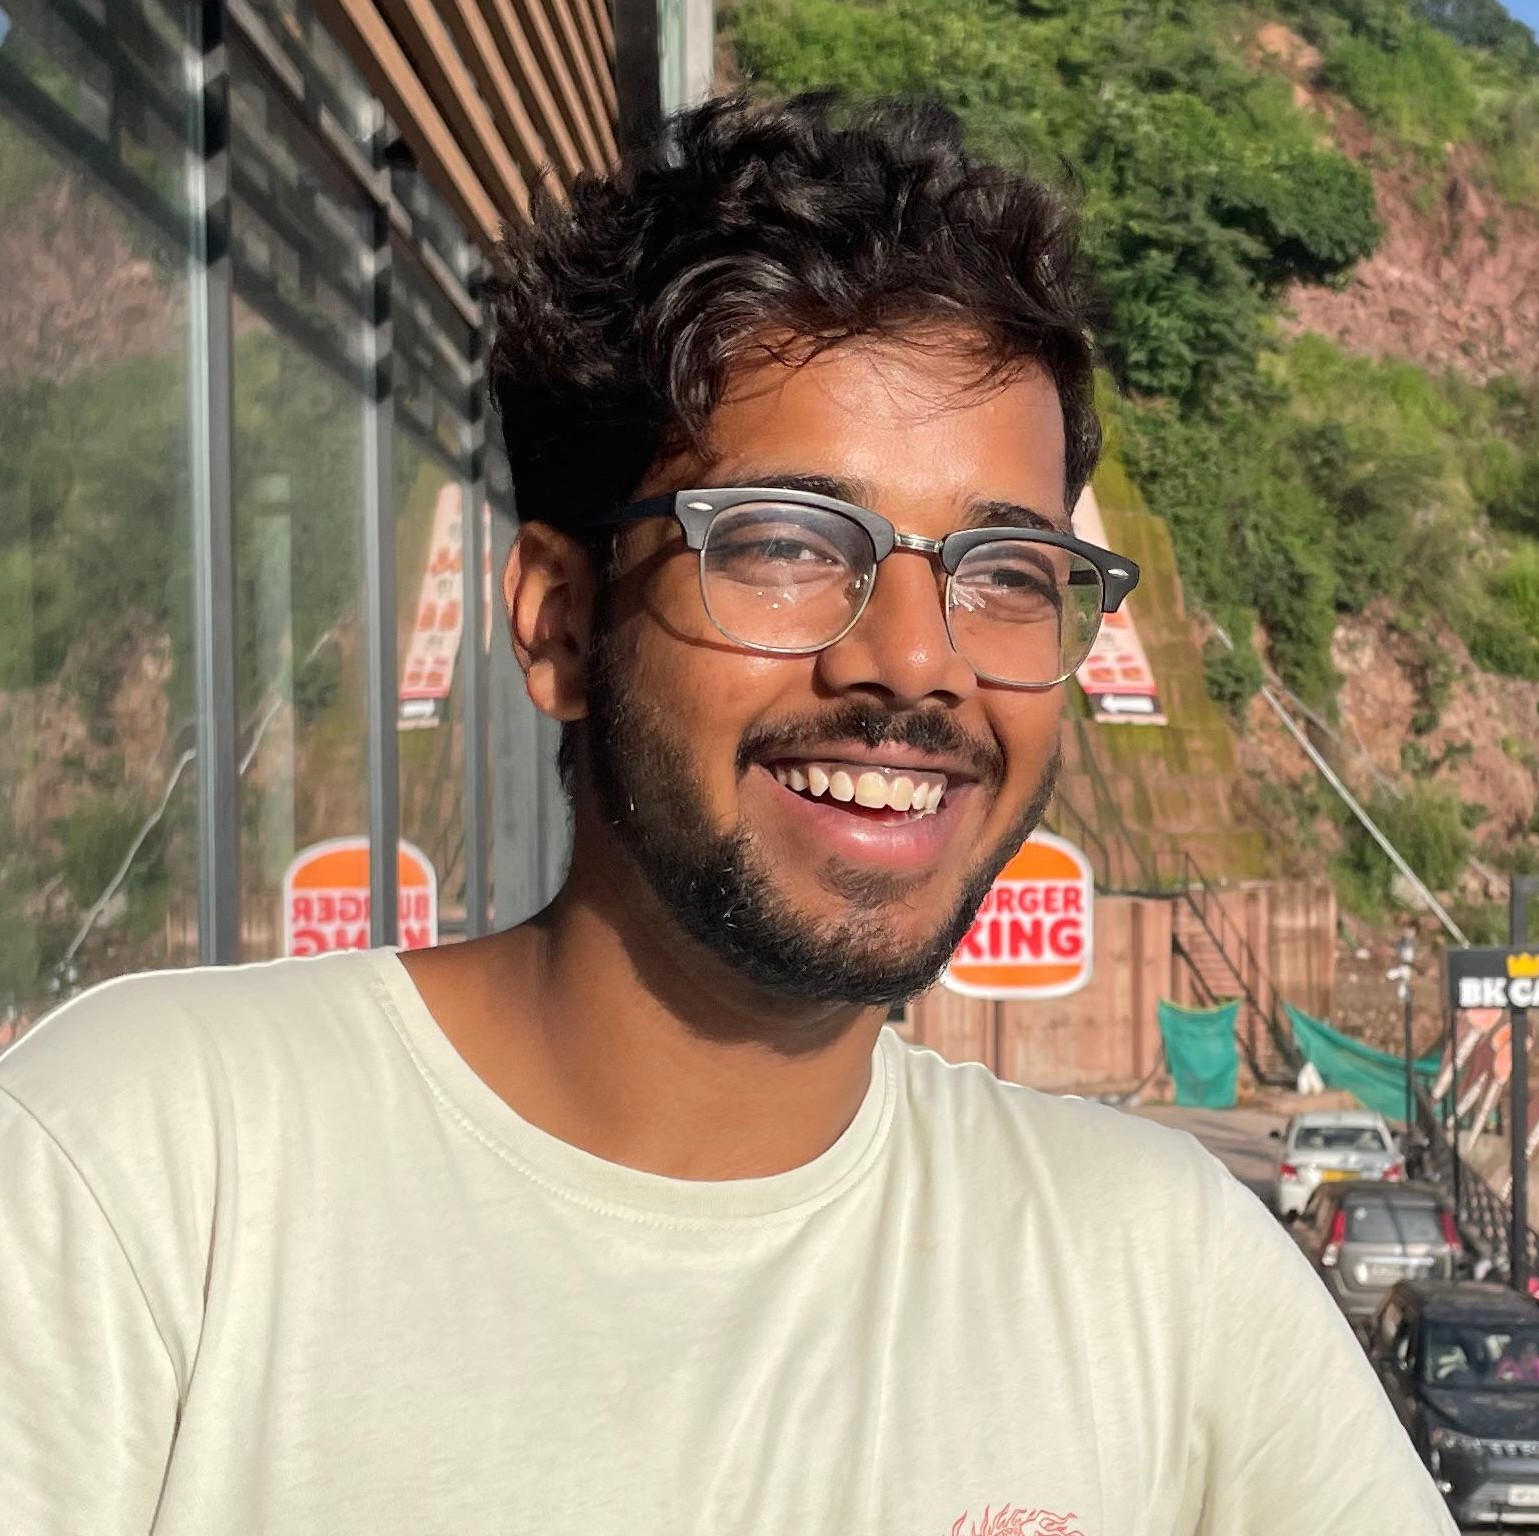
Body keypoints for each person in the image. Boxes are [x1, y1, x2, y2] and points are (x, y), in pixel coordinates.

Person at [0, 93, 1452, 1534]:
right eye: (783, 543)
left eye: (1007, 571)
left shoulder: (1164, 1275)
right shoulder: (147, 1172)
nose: (915, 661)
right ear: (562, 623)